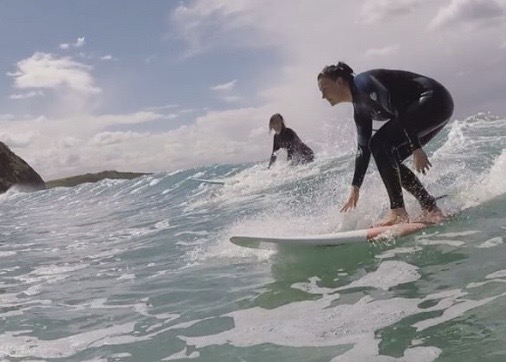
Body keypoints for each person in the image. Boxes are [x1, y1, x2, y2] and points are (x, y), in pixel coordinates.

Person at [317, 62, 454, 226]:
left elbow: (398, 107)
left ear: (339, 81)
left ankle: (398, 212)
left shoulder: (364, 83)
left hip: (435, 99)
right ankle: (429, 206)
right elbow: (363, 148)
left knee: (380, 144)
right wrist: (355, 186)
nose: (323, 96)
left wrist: (416, 147)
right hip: (431, 110)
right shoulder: (360, 108)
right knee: (388, 155)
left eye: (324, 88)